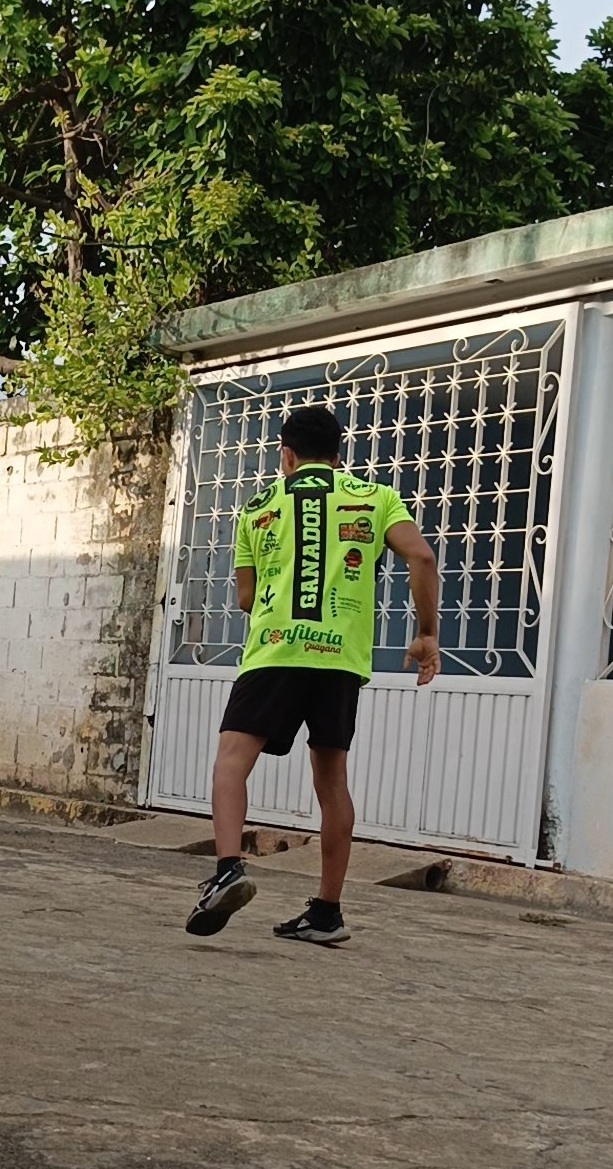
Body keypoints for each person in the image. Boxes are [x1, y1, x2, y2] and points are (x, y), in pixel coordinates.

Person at [185, 405, 439, 948]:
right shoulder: (376, 499)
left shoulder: (255, 509)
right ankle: (327, 912)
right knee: (331, 780)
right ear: (339, 455)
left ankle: (229, 869)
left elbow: (248, 599)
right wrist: (425, 634)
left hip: (275, 654)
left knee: (233, 760)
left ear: (287, 455)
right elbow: (421, 556)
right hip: (340, 662)